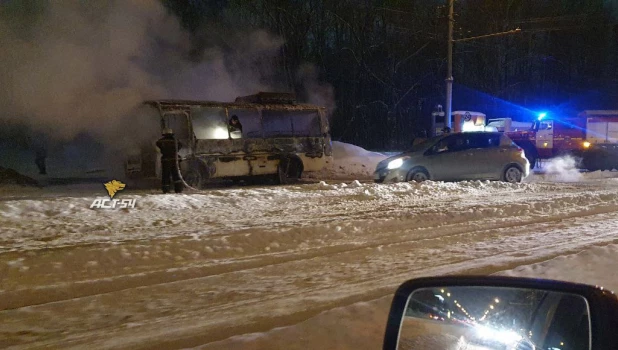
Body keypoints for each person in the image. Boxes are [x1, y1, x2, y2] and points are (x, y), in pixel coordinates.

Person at [156, 128, 183, 194]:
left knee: (166, 175)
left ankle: (166, 190)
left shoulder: (161, 141)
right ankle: (178, 189)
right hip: (175, 159)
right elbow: (180, 145)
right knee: (176, 175)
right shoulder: (176, 140)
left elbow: (157, 144)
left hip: (166, 160)